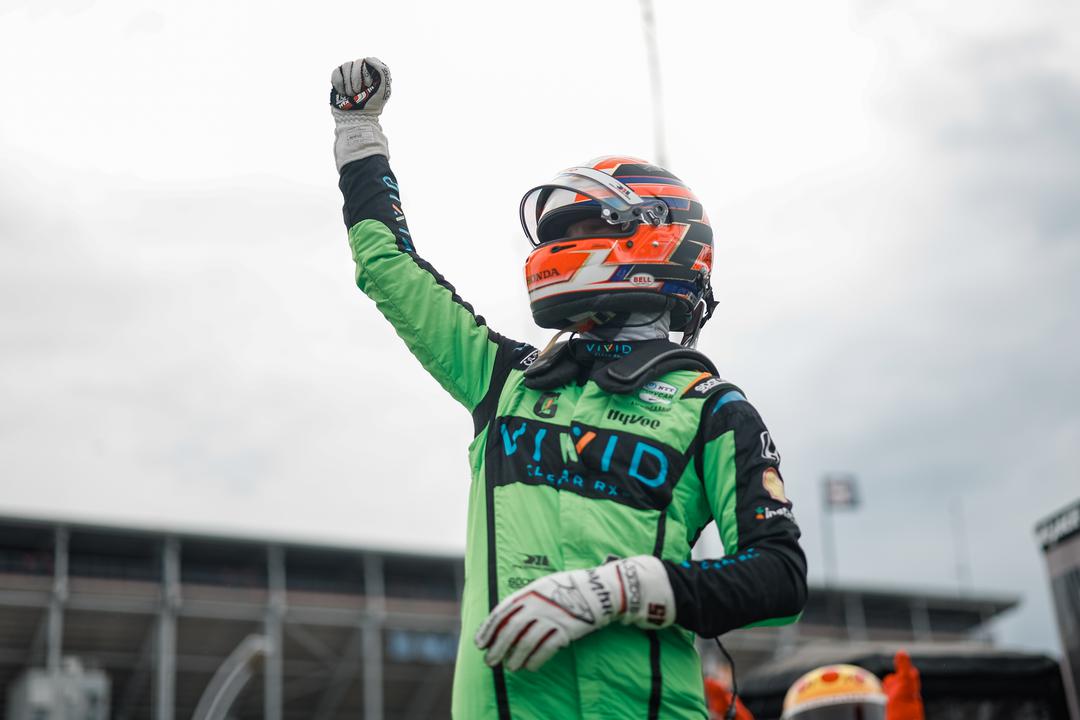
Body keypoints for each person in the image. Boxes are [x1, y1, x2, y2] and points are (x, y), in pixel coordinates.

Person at [329, 56, 808, 720]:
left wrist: (618, 590)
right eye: (558, 235)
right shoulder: (502, 381)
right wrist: (357, 134)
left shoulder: (713, 413)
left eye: (586, 231)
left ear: (660, 239)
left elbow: (779, 578)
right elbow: (387, 269)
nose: (562, 248)